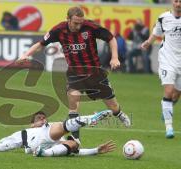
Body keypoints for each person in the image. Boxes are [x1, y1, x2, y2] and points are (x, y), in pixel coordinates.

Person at [16, 6, 131, 142]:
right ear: (68, 20)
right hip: (75, 73)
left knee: (113, 106)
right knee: (73, 106)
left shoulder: (90, 27)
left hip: (94, 72)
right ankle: (75, 140)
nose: (78, 25)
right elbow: (41, 43)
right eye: (75, 23)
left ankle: (119, 113)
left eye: (80, 23)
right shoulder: (58, 30)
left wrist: (115, 57)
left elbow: (111, 38)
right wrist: (26, 55)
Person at [0, 111, 116, 157]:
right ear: (32, 124)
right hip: (36, 142)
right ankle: (91, 118)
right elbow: (3, 146)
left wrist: (96, 150)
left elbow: (76, 152)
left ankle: (44, 154)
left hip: (45, 148)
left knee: (74, 144)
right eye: (38, 119)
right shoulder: (25, 132)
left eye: (43, 118)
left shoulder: (53, 131)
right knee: (59, 127)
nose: (42, 120)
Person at [141, 0, 181, 138]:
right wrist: (148, 42)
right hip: (167, 59)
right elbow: (156, 32)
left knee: (176, 94)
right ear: (172, 2)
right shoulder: (163, 17)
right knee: (168, 91)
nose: (178, 4)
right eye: (176, 1)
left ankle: (167, 109)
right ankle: (169, 128)